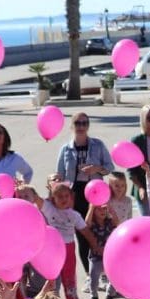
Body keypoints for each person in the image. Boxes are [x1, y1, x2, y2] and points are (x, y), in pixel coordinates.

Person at [52, 114, 113, 272]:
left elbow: (110, 167)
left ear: (88, 125)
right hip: (75, 193)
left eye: (84, 123)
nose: (81, 126)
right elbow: (60, 175)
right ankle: (89, 273)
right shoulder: (65, 149)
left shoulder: (98, 145)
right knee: (82, 234)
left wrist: (96, 168)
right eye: (77, 123)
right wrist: (54, 181)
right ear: (72, 126)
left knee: (99, 232)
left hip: (95, 193)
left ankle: (103, 271)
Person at [41, 183, 97, 299]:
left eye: (66, 196)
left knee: (69, 277)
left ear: (71, 197)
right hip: (53, 248)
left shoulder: (74, 215)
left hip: (69, 248)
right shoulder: (49, 209)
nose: (64, 199)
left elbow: (85, 231)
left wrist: (95, 245)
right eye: (59, 196)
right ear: (52, 199)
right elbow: (37, 199)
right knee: (52, 277)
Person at [83, 202, 117, 299]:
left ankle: (110, 295)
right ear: (93, 211)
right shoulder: (92, 224)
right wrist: (91, 207)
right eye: (99, 209)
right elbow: (86, 223)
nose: (102, 211)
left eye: (104, 209)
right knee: (94, 278)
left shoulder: (109, 222)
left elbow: (117, 221)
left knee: (114, 277)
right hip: (95, 257)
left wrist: (110, 207)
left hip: (109, 256)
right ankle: (94, 296)